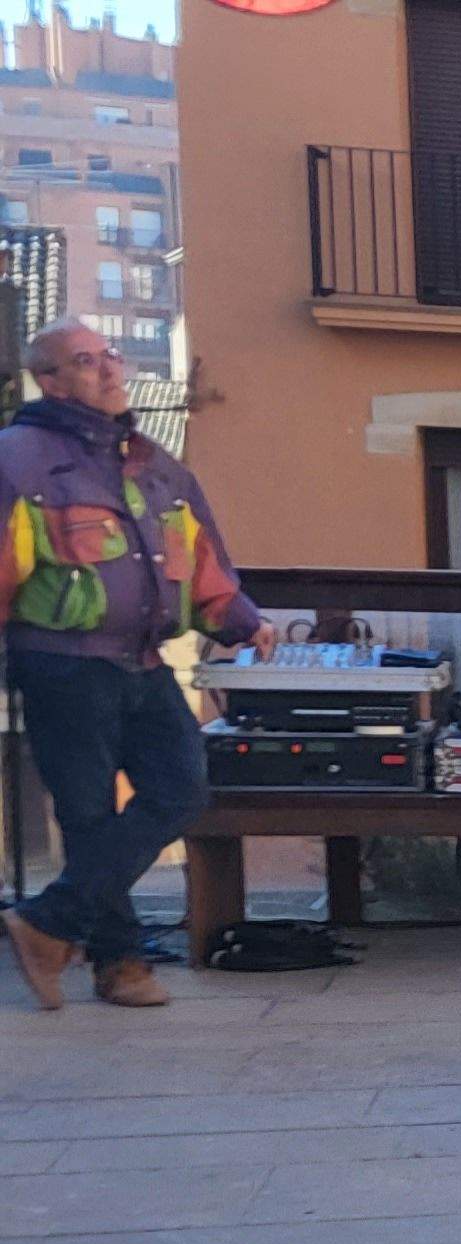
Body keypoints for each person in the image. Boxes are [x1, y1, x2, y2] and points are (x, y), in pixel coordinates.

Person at [0, 319, 262, 1011]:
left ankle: (48, 925)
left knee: (181, 791)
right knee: (88, 814)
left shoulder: (157, 465)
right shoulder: (17, 460)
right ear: (49, 381)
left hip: (146, 663)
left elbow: (202, 562)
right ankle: (119, 966)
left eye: (109, 354)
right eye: (85, 361)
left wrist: (245, 622)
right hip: (61, 665)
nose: (108, 368)